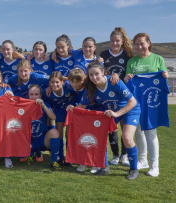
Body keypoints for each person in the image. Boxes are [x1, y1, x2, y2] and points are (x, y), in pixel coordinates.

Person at [68, 60, 141, 179]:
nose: (94, 77)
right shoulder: (90, 87)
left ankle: (133, 169)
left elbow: (132, 102)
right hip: (112, 112)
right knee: (99, 136)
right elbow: (81, 106)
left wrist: (117, 113)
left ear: (103, 72)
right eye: (91, 75)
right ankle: (104, 166)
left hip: (130, 110)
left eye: (96, 74)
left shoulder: (114, 82)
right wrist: (72, 109)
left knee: (127, 138)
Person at [124, 33, 169, 177]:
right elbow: (127, 84)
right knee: (138, 131)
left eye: (142, 43)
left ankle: (155, 166)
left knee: (150, 132)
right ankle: (143, 160)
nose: (139, 47)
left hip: (152, 102)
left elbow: (165, 74)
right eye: (136, 44)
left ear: (148, 43)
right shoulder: (132, 62)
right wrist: (127, 78)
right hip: (136, 103)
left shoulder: (158, 59)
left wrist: (165, 75)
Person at [100, 27, 135, 166]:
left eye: (117, 41)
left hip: (124, 95)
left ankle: (124, 155)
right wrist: (111, 75)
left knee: (124, 127)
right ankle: (115, 155)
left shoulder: (127, 55)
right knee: (112, 126)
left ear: (122, 42)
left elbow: (131, 71)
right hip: (108, 95)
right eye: (112, 41)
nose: (114, 43)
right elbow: (100, 71)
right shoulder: (103, 54)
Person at [42, 71, 78, 167]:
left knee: (68, 134)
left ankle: (69, 158)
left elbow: (79, 92)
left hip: (71, 111)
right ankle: (61, 157)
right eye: (52, 82)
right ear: (49, 83)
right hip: (59, 112)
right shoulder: (46, 92)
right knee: (59, 133)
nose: (55, 84)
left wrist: (76, 106)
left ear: (62, 82)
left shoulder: (69, 87)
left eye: (57, 82)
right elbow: (37, 93)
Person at [23, 84, 61, 171]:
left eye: (36, 94)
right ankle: (30, 155)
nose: (34, 97)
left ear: (40, 95)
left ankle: (54, 162)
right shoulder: (24, 105)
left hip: (42, 140)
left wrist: (43, 105)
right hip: (29, 141)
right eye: (31, 94)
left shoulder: (44, 104)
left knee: (54, 132)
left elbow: (53, 117)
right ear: (28, 95)